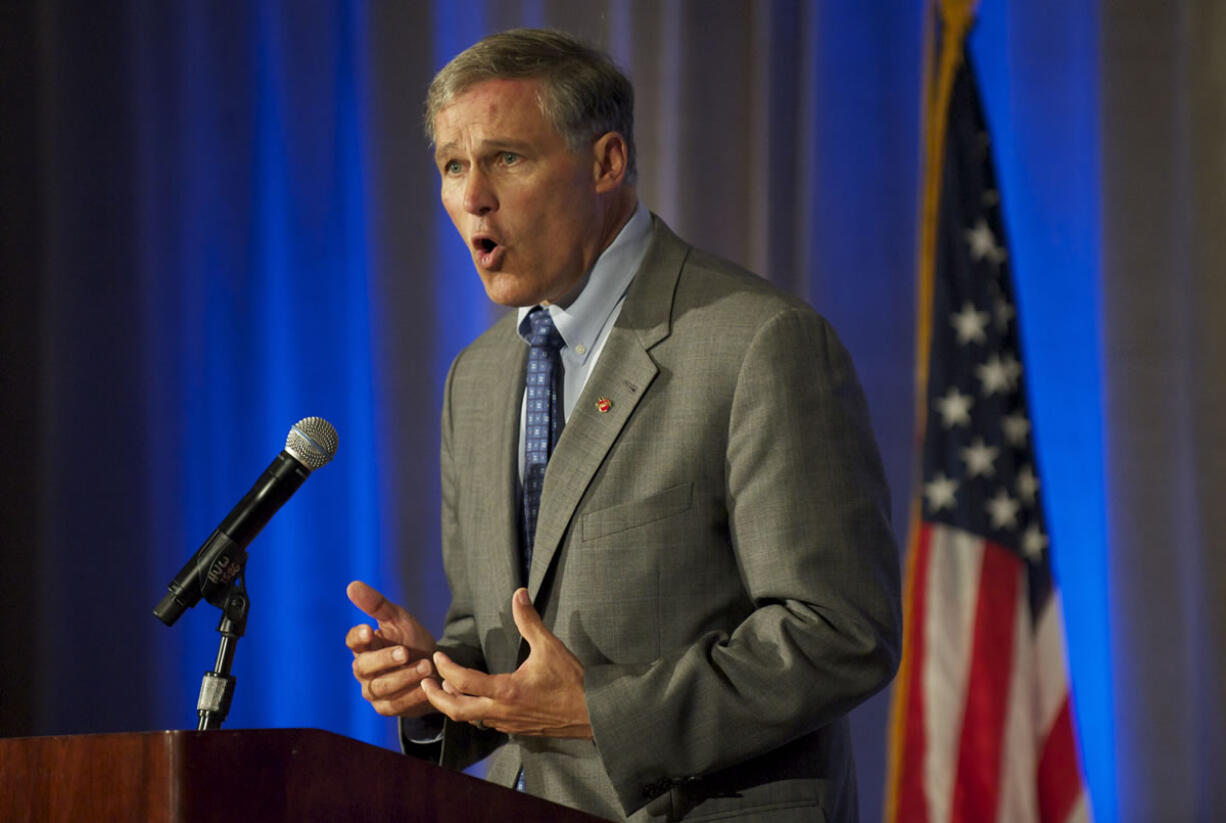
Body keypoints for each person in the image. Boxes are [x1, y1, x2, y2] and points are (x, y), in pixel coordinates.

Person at [346, 28, 901, 822]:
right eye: (452, 166)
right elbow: (500, 637)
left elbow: (841, 632)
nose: (473, 197)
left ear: (606, 163)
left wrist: (600, 710)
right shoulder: (478, 377)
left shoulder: (755, 344)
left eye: (506, 158)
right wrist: (436, 683)